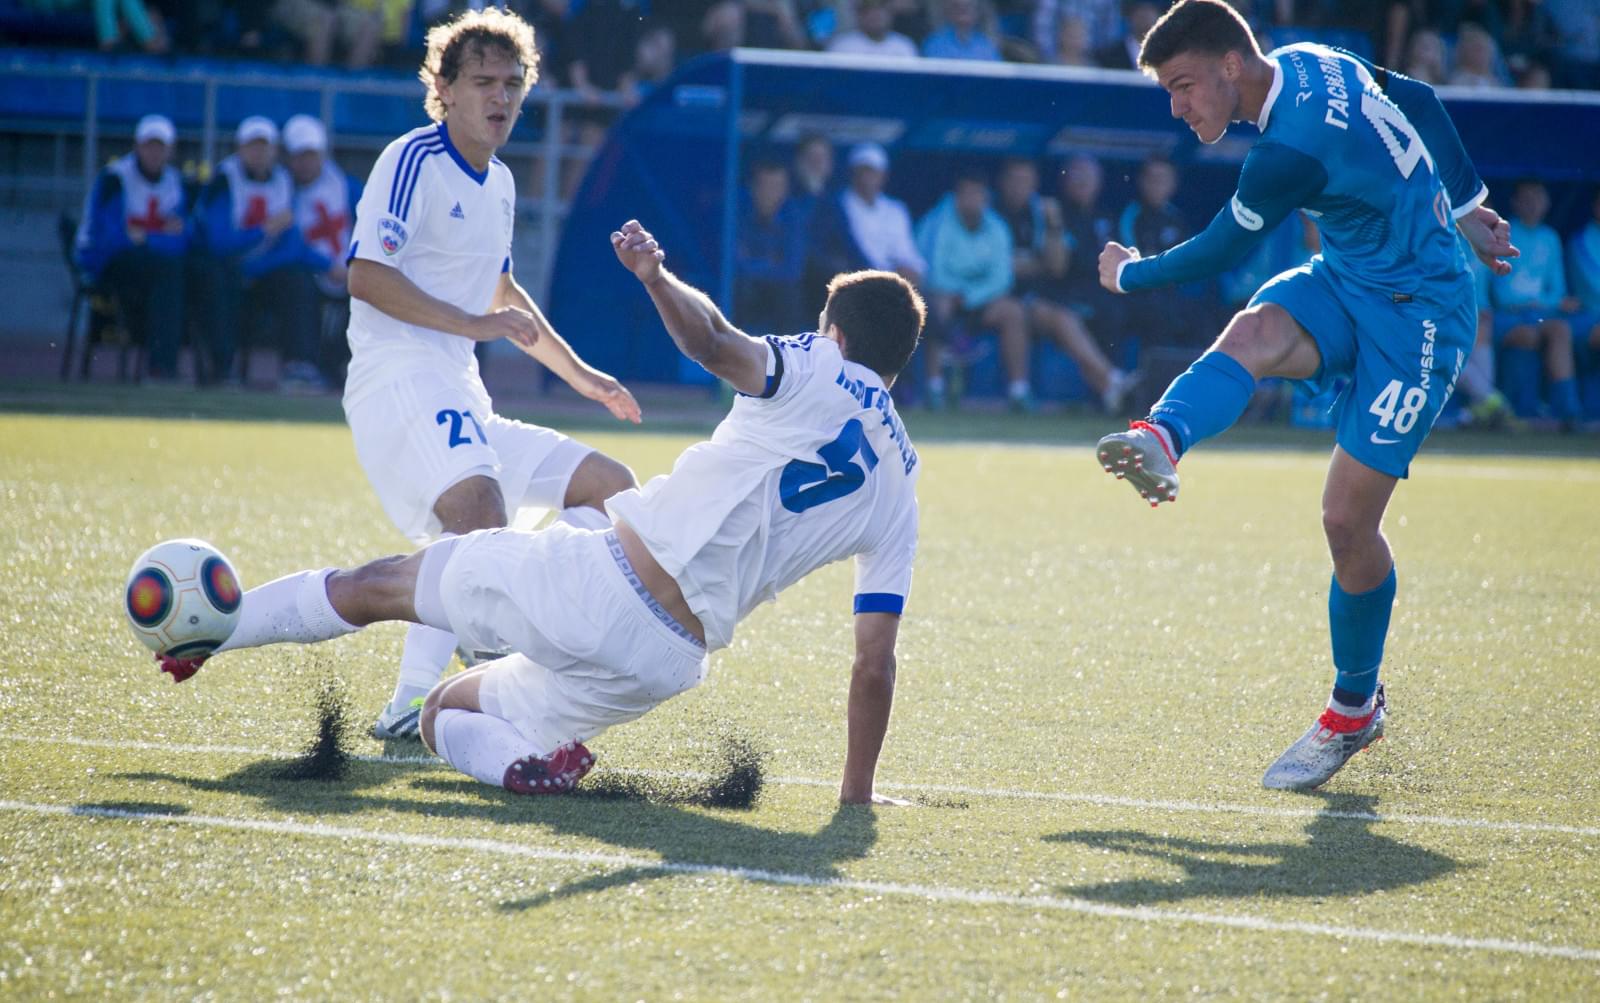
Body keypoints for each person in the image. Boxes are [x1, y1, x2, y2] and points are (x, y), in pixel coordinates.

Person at [154, 219, 926, 808]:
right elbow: (873, 661)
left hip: (602, 581)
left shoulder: (820, 364)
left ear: (837, 334)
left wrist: (657, 279)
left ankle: (211, 632)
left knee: (379, 583)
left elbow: (717, 343)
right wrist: (855, 794)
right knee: (447, 712)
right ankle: (522, 767)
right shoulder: (902, 486)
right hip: (667, 660)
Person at [1091, 1, 1517, 790]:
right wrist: (1467, 206)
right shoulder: (1318, 58)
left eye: (1183, 86)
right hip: (1350, 277)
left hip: (1421, 313)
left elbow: (1223, 245)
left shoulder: (1287, 148)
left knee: (1345, 522)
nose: (1178, 108)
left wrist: (1128, 273)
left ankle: (1355, 707)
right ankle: (1162, 436)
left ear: (1230, 64)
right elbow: (1418, 101)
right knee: (1253, 332)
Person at [340, 7, 642, 741]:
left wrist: (583, 377)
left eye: (512, 83)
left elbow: (503, 292)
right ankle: (424, 693)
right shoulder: (412, 158)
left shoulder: (500, 182)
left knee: (613, 489)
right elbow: (364, 276)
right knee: (475, 517)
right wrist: (477, 325)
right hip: (401, 379)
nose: (500, 97)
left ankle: (512, 610)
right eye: (482, 81)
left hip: (461, 389)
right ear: (442, 87)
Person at [191, 115, 326, 390]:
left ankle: (299, 366)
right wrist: (264, 230)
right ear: (240, 148)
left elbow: (292, 240)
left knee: (297, 280)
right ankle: (223, 366)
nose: (259, 153)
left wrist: (259, 266)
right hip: (224, 267)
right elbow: (218, 243)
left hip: (261, 268)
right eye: (253, 146)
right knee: (218, 278)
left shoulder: (283, 181)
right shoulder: (223, 181)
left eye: (265, 147)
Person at [994, 159, 1138, 412]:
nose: (1020, 188)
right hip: (1007, 297)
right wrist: (1036, 258)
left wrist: (1045, 240)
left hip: (1048, 297)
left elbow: (1054, 264)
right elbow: (1014, 266)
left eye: (1026, 182)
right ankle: (1114, 381)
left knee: (1099, 312)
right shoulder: (996, 213)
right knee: (1060, 317)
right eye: (1015, 181)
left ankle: (1111, 390)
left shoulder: (1052, 213)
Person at [74, 114, 190, 381]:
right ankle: (161, 366)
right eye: (149, 145)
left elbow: (184, 238)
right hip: (104, 262)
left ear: (170, 150)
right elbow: (112, 238)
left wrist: (147, 238)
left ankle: (177, 365)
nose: (154, 152)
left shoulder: (175, 183)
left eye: (160, 146)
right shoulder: (115, 179)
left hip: (151, 260)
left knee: (188, 269)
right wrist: (161, 235)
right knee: (168, 271)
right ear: (137, 146)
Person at [1491, 179, 1583, 424]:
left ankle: (1568, 412)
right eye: (1527, 198)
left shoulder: (1550, 238)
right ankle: (1522, 411)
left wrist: (1541, 302)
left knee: (1560, 330)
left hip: (1541, 313)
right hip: (1505, 316)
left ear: (1547, 202)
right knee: (1527, 335)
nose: (1533, 204)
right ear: (1515, 202)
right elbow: (1500, 293)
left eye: (1538, 198)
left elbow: (1559, 290)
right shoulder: (1502, 232)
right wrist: (1535, 303)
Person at [283, 114, 360, 386]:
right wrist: (328, 267)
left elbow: (368, 225)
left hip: (350, 268)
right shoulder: (284, 191)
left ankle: (339, 368)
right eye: (299, 156)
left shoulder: (346, 186)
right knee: (296, 285)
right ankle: (303, 365)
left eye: (311, 155)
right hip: (311, 271)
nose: (305, 163)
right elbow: (290, 242)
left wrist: (356, 265)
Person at [735, 160, 808, 336]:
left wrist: (754, 262)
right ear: (753, 187)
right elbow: (735, 265)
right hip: (745, 288)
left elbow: (792, 269)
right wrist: (770, 262)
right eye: (765, 186)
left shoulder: (793, 214)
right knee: (739, 288)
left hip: (778, 289)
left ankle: (787, 356)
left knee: (789, 294)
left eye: (778, 187)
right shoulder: (736, 210)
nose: (771, 193)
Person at [827, 0, 919, 58]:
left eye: (880, 8)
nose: (875, 14)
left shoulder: (904, 45)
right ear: (859, 14)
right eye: (868, 10)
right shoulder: (842, 46)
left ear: (890, 13)